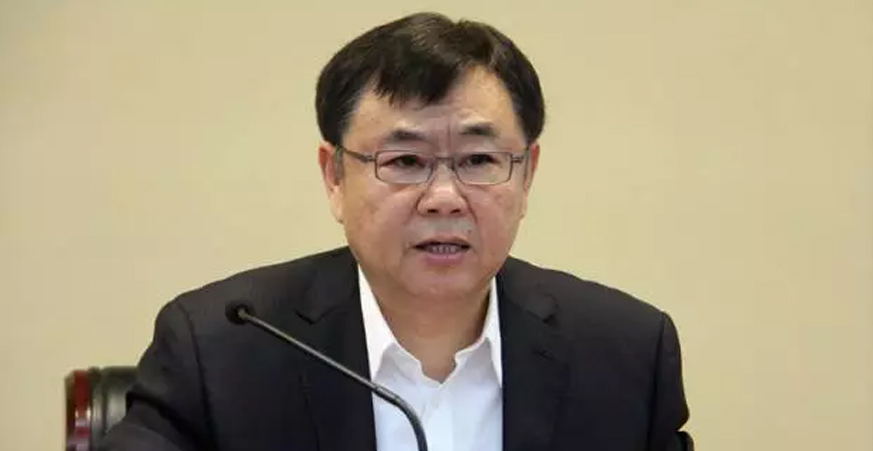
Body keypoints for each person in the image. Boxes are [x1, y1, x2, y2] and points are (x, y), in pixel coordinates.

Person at [101, 12, 692, 451]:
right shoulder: (220, 350)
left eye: (479, 160)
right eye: (405, 161)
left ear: (527, 174)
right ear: (335, 176)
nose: (444, 198)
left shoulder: (626, 356)